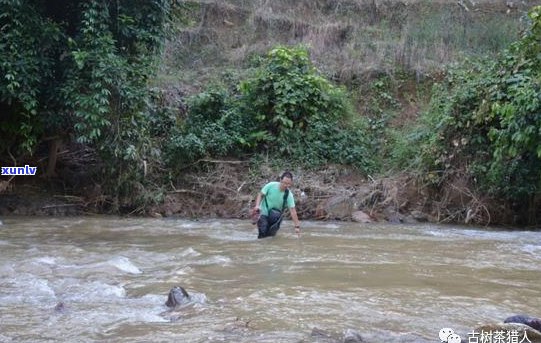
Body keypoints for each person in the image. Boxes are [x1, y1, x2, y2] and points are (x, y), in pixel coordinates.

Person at [252, 171, 301, 239]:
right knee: (263, 232)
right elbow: (260, 194)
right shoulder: (271, 185)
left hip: (275, 217)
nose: (285, 185)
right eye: (284, 183)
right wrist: (257, 206)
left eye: (288, 184)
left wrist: (297, 227)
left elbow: (293, 211)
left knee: (270, 236)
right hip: (263, 212)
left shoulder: (289, 195)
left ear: (291, 183)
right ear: (280, 180)